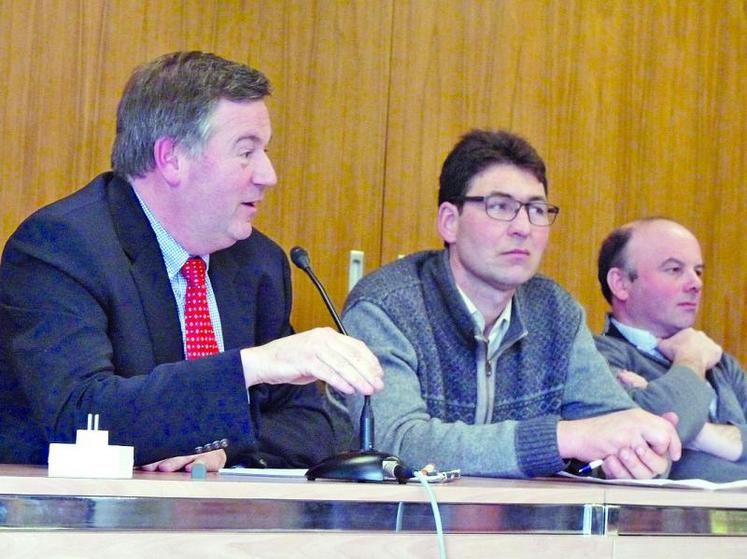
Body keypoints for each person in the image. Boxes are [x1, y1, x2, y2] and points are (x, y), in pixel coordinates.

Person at [0, 51, 383, 472]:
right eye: (245, 151)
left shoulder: (258, 262)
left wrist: (218, 446)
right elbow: (82, 416)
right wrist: (251, 367)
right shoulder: (61, 247)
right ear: (172, 159)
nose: (268, 174)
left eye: (265, 151)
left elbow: (314, 424)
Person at [338, 129, 681, 479]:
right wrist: (564, 438)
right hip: (391, 527)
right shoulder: (385, 307)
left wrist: (643, 450)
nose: (523, 227)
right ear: (450, 222)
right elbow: (396, 443)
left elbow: (612, 423)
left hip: (520, 528)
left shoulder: (556, 312)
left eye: (536, 209)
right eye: (500, 207)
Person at [595, 217, 747, 481]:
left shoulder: (720, 363)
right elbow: (636, 444)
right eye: (675, 269)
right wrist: (691, 360)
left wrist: (698, 434)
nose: (696, 284)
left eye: (698, 271)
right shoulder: (596, 357)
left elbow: (660, 429)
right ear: (621, 283)